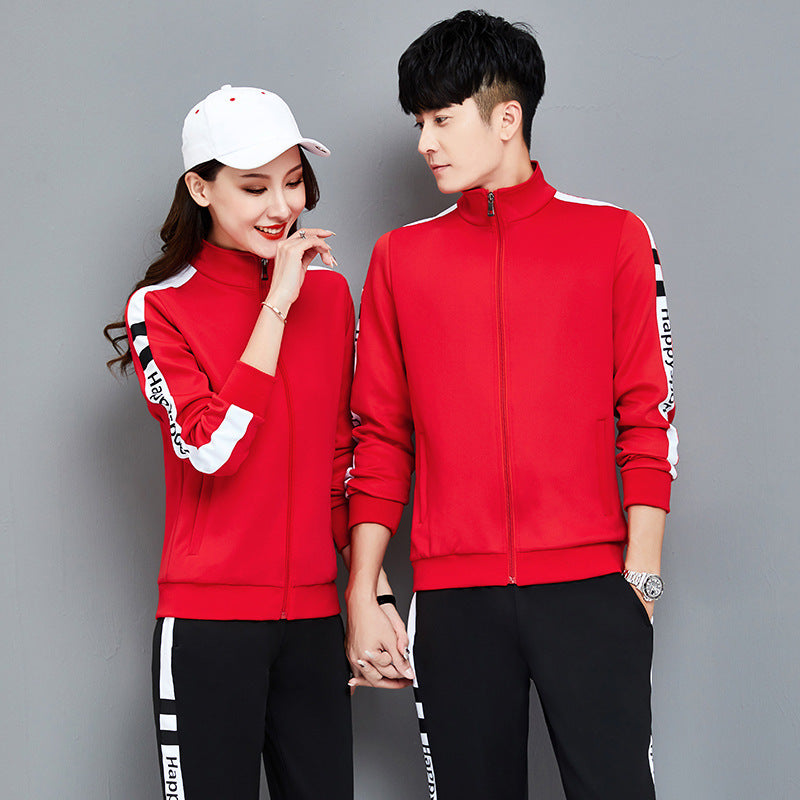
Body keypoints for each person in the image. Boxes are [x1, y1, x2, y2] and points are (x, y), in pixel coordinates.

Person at [345, 11, 677, 800]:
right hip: (454, 599)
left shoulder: (614, 238)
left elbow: (649, 413)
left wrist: (642, 579)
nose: (424, 142)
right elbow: (381, 436)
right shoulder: (399, 260)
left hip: (591, 588)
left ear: (507, 119)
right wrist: (364, 587)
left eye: (441, 119)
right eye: (418, 123)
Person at [103, 84, 393, 800]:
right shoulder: (161, 306)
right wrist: (277, 304)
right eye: (255, 187)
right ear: (200, 188)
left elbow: (340, 459)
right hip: (211, 625)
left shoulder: (330, 296)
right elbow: (212, 448)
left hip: (313, 623)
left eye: (294, 182)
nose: (282, 207)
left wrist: (372, 594)